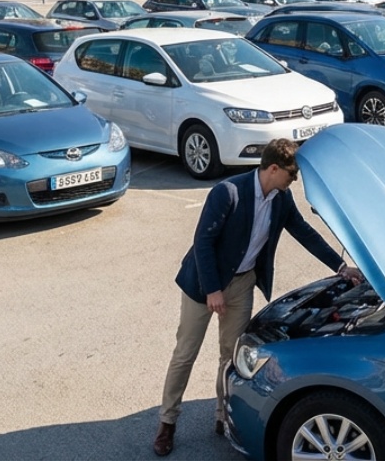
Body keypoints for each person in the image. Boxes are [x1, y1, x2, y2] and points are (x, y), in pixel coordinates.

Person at [153, 139, 364, 457]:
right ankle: (167, 422)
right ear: (274, 168)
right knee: (185, 353)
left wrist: (340, 266)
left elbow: (303, 232)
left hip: (242, 284)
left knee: (231, 355)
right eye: (292, 174)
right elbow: (203, 242)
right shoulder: (228, 192)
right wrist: (212, 290)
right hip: (203, 284)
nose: (294, 180)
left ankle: (223, 415)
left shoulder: (281, 198)